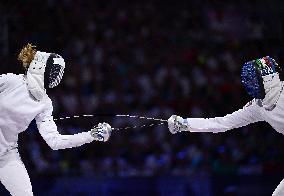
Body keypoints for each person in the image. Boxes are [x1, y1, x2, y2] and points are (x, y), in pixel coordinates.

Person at [0, 43, 112, 196]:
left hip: (6, 155)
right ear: (39, 67)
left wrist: (90, 135)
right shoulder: (11, 81)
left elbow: (55, 142)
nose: (56, 75)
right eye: (54, 70)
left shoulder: (45, 104)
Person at [167, 56, 284, 196]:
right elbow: (222, 123)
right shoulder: (259, 106)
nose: (249, 84)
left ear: (268, 79)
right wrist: (185, 124)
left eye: (253, 79)